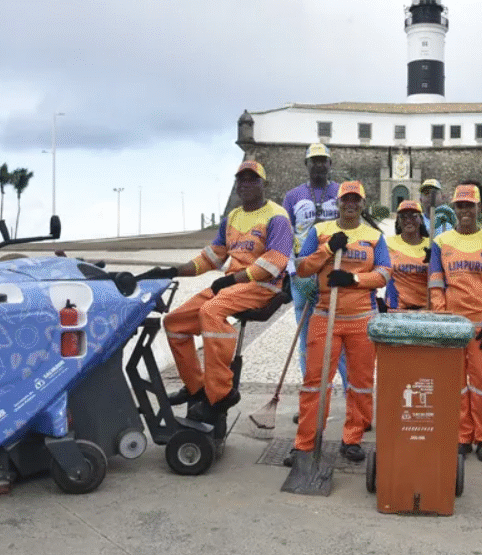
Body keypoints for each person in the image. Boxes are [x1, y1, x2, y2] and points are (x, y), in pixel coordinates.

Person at [152, 160, 294, 422]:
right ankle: (196, 388)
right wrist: (175, 270)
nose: (246, 184)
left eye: (253, 179)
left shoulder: (278, 217)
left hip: (261, 286)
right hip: (233, 285)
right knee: (174, 323)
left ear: (264, 184)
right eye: (242, 179)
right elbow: (212, 257)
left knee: (211, 312)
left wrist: (234, 279)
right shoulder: (232, 218)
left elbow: (276, 261)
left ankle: (221, 393)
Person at [290, 181, 390, 463]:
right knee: (315, 382)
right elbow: (301, 267)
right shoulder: (321, 231)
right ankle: (305, 442)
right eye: (346, 199)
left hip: (361, 319)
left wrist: (354, 279)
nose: (350, 204)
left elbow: (384, 274)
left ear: (362, 203)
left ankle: (353, 437)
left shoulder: (373, 236)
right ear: (338, 202)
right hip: (325, 316)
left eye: (356, 199)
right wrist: (326, 251)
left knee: (359, 383)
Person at [428, 181, 482, 462]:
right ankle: (462, 436)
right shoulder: (441, 242)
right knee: (456, 385)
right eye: (460, 206)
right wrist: (442, 319)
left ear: (479, 208)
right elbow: (436, 285)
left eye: (470, 206)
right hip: (453, 326)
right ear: (454, 208)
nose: (465, 211)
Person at [282, 143, 348, 412]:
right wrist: (292, 273)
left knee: (342, 338)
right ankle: (310, 402)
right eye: (314, 161)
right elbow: (284, 237)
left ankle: (352, 398)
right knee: (308, 339)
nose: (319, 165)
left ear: (330, 164)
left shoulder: (343, 192)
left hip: (336, 274)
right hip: (305, 275)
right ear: (306, 164)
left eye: (324, 161)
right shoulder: (293, 196)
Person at [384, 200, 430, 310]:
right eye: (403, 217)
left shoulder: (431, 245)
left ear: (421, 220)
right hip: (396, 309)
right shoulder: (388, 243)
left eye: (413, 216)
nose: (409, 220)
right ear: (398, 221)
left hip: (424, 310)